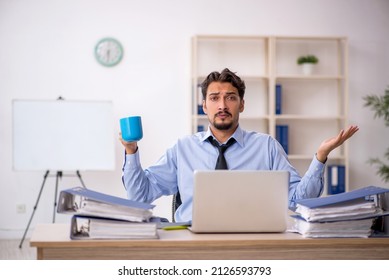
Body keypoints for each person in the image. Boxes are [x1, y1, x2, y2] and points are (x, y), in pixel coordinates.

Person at [120, 68, 359, 223]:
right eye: (214, 98)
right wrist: (131, 152)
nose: (222, 105)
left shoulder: (266, 147)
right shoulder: (182, 149)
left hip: (253, 243)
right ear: (204, 106)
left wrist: (320, 157)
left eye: (230, 97)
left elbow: (297, 201)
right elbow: (140, 195)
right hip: (192, 243)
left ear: (241, 104)